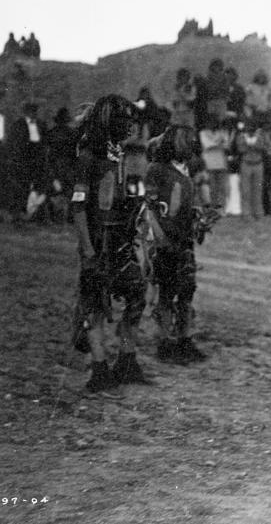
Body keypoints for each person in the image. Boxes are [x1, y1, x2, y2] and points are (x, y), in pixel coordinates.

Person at [69, 95, 149, 393]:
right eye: (123, 120)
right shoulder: (89, 155)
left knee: (137, 291)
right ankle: (100, 368)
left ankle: (127, 360)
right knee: (95, 302)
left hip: (119, 239)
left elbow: (127, 195)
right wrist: (88, 249)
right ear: (108, 122)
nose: (129, 126)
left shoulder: (119, 156)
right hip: (98, 240)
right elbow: (78, 206)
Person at [145, 125, 208, 364]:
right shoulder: (157, 169)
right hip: (166, 239)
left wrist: (198, 216)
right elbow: (149, 207)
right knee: (166, 291)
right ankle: (164, 342)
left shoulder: (185, 169)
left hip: (184, 239)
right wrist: (159, 236)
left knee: (186, 290)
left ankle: (184, 339)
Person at [9, 102, 47, 219]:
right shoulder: (18, 125)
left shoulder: (41, 125)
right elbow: (13, 143)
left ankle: (36, 214)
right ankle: (18, 213)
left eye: (34, 111)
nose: (33, 114)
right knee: (21, 186)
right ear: (25, 112)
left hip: (38, 159)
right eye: (30, 111)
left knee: (38, 187)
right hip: (23, 159)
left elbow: (45, 141)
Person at [45, 107, 79, 223]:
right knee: (67, 191)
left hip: (59, 166)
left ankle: (56, 216)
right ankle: (65, 216)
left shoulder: (52, 133)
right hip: (66, 166)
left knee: (57, 190)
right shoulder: (73, 134)